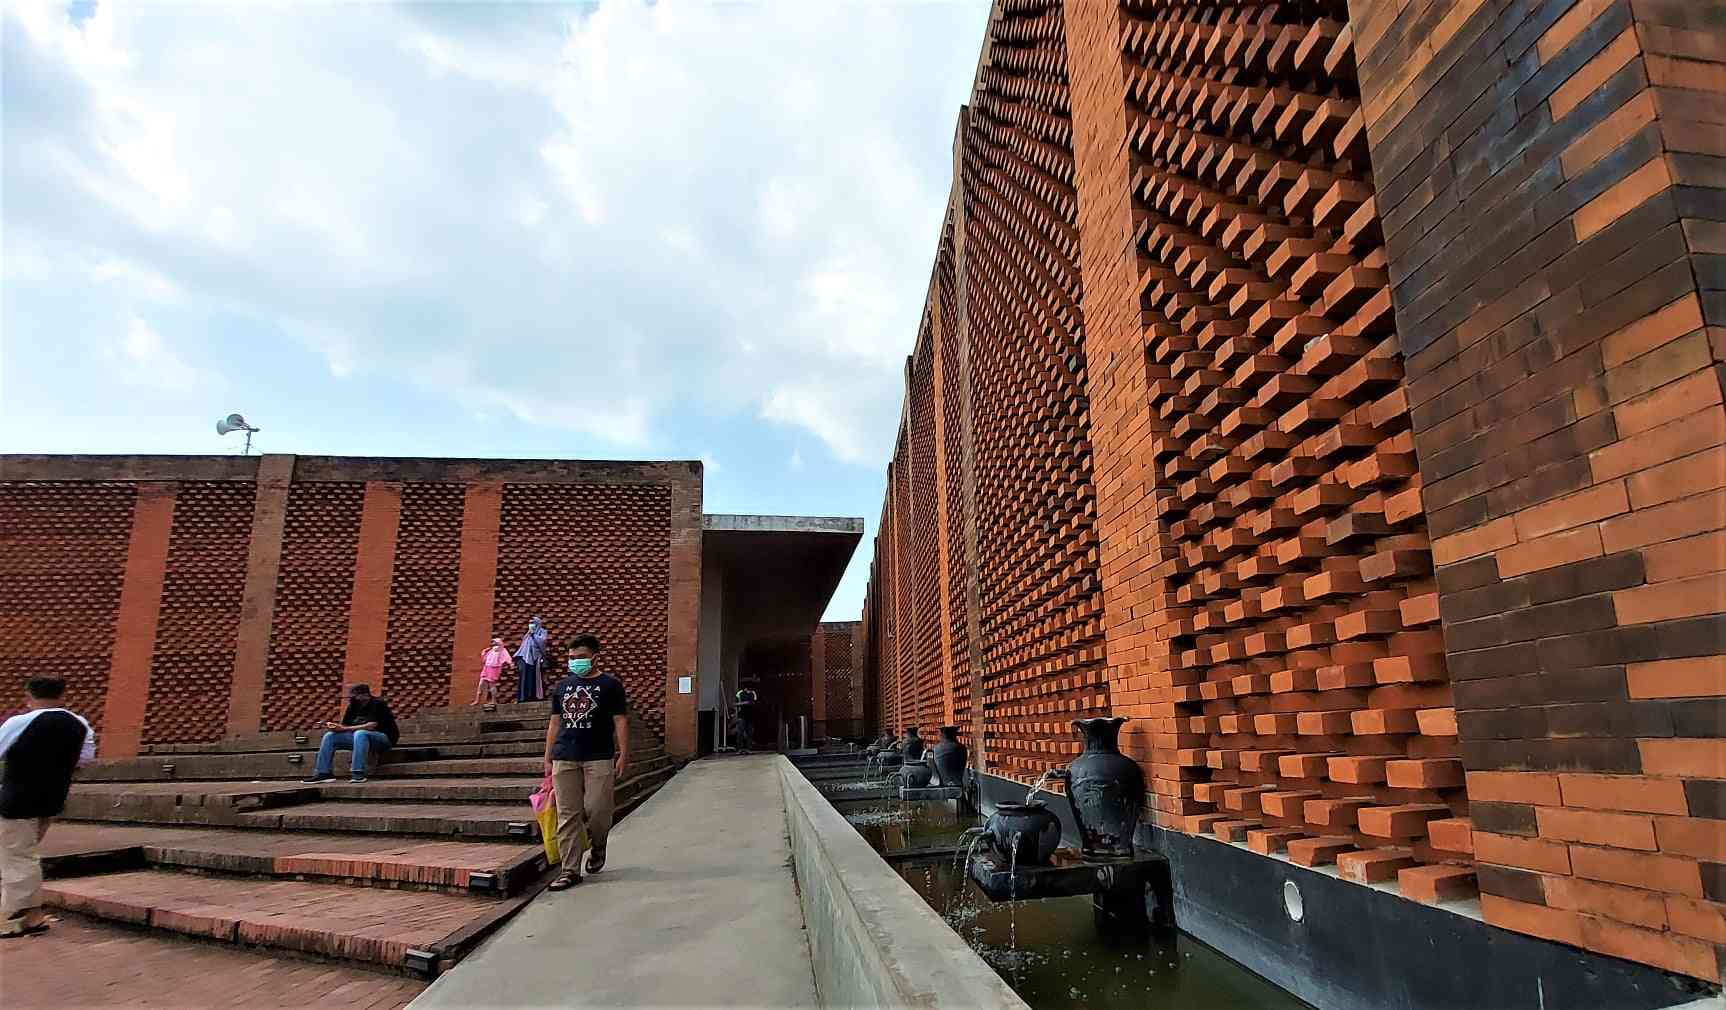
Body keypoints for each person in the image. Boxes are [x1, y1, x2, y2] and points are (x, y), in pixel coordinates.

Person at [0, 677, 96, 939]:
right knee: (24, 854)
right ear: (62, 694)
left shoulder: (19, 722)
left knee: (17, 857)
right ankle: (30, 915)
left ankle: (15, 919)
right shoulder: (79, 724)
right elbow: (85, 760)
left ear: (28, 695)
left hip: (16, 799)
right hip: (51, 799)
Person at [542, 635, 628, 891]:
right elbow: (555, 723)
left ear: (594, 657)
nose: (575, 662)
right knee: (567, 814)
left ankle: (598, 845)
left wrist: (623, 753)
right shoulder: (563, 687)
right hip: (565, 755)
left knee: (598, 809)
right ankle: (569, 871)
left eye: (580, 658)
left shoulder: (610, 685)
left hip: (599, 756)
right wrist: (547, 757)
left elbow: (620, 720)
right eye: (571, 658)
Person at [302, 683, 399, 784]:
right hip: (360, 740)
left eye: (356, 696)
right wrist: (335, 727)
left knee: (360, 733)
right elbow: (345, 726)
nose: (354, 699)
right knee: (330, 736)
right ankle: (323, 773)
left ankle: (357, 773)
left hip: (384, 739)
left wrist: (344, 728)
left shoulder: (377, 704)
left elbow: (371, 725)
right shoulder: (353, 705)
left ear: (365, 695)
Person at [515, 616, 551, 704]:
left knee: (536, 679)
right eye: (530, 623)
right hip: (525, 659)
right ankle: (523, 697)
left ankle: (536, 696)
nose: (531, 624)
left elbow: (542, 643)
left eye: (533, 623)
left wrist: (534, 635)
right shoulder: (527, 634)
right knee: (525, 678)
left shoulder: (542, 632)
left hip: (536, 659)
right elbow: (523, 645)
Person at [475, 637, 514, 710]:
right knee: (481, 683)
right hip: (487, 667)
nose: (493, 644)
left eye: (494, 642)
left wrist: (510, 663)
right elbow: (484, 658)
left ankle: (493, 700)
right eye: (493, 643)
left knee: (491, 685)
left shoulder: (502, 650)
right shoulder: (490, 650)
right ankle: (477, 700)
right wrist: (484, 652)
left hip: (494, 668)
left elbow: (507, 657)